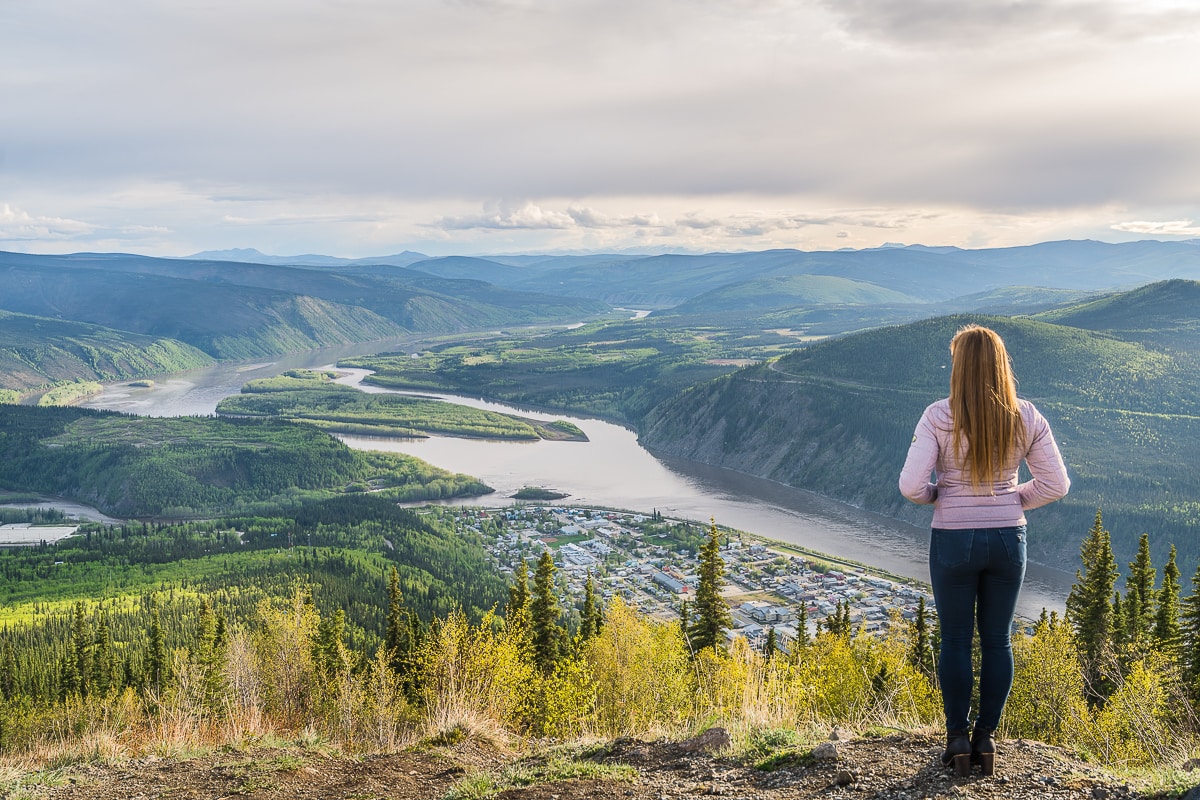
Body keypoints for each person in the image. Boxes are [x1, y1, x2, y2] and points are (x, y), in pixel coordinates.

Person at [899, 324, 1069, 777]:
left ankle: (956, 738)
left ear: (959, 367)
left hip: (953, 539)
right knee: (998, 640)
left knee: (954, 638)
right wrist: (1013, 500)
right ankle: (986, 739)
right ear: (1001, 365)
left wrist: (941, 496)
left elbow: (911, 487)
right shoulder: (1026, 415)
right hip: (1008, 540)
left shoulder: (938, 415)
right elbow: (1057, 484)